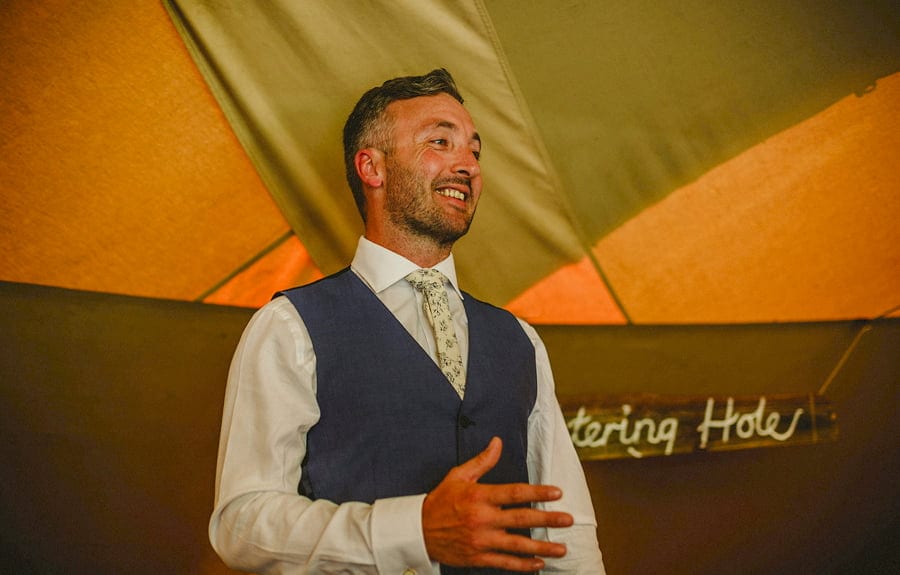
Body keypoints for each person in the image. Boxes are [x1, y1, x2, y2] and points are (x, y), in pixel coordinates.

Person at [210, 68, 606, 574]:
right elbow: (242, 523)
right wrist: (412, 530)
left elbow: (566, 530)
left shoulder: (520, 340)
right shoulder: (290, 326)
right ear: (372, 167)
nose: (468, 165)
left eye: (475, 151)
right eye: (441, 142)